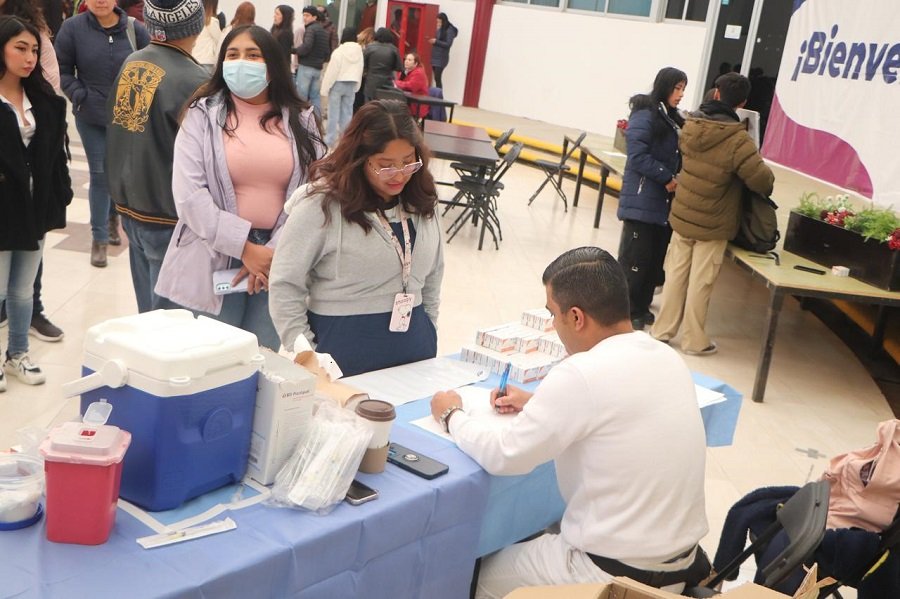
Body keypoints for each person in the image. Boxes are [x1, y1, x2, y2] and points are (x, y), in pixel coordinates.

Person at [430, 247, 709, 597]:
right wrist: (537, 403)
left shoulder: (580, 373)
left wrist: (451, 414)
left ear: (576, 317)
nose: (553, 325)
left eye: (553, 314)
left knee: (475, 574)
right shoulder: (666, 357)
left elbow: (504, 456)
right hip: (680, 566)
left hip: (610, 572)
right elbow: (620, 412)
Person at [155, 25, 323, 350]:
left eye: (252, 54)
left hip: (279, 259)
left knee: (261, 360)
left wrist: (271, 252)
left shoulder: (301, 119)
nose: (240, 62)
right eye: (232, 55)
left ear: (272, 64)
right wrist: (246, 249)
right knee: (213, 360)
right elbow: (189, 196)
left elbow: (314, 192)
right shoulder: (202, 114)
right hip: (216, 252)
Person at [269, 99, 444, 377]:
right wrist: (307, 356)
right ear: (359, 159)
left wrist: (429, 328)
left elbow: (433, 276)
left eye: (408, 162)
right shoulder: (320, 205)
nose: (399, 174)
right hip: (339, 359)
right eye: (385, 165)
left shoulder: (422, 201)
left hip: (415, 355)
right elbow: (284, 285)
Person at [651, 73, 775, 356]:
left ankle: (662, 330)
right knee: (701, 282)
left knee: (676, 275)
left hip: (683, 215)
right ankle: (695, 341)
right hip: (714, 223)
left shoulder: (691, 125)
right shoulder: (738, 139)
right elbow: (762, 182)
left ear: (716, 94)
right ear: (742, 102)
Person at [105, 0, 208, 313]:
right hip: (167, 215)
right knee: (168, 326)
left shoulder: (132, 62)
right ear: (196, 24)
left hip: (130, 206)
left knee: (147, 313)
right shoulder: (195, 80)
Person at [0, 16, 72, 390]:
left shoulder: (44, 100)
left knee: (22, 289)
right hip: (3, 209)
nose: (29, 58)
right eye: (20, 48)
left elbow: (55, 158)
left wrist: (60, 196)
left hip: (35, 208)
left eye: (34, 50)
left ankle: (18, 355)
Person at [55, 0, 150, 267]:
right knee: (99, 173)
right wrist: (78, 93)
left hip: (126, 118)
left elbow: (150, 69)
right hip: (90, 114)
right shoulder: (72, 28)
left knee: (117, 173)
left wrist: (137, 100)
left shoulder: (135, 30)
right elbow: (62, 70)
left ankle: (112, 218)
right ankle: (99, 239)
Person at [616, 67, 687, 331]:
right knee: (635, 261)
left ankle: (642, 307)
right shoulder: (645, 114)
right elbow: (637, 156)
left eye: (683, 90)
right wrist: (666, 176)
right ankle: (626, 311)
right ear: (665, 87)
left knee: (653, 260)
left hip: (660, 204)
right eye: (677, 88)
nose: (680, 95)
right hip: (642, 199)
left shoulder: (668, 116)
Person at [320, 26, 362, 146]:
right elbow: (360, 68)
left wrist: (325, 88)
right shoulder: (359, 52)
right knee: (347, 113)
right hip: (352, 84)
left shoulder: (339, 51)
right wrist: (357, 86)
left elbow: (332, 71)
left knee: (333, 113)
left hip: (338, 84)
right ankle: (345, 141)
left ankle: (330, 140)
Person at [293, 5, 328, 116]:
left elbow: (306, 47)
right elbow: (327, 51)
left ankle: (300, 121)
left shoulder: (310, 29)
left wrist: (293, 50)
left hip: (306, 67)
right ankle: (317, 120)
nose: (304, 18)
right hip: (318, 68)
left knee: (301, 96)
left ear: (314, 17)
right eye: (303, 15)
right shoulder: (323, 30)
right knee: (315, 96)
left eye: (307, 15)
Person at [362, 27, 400, 102]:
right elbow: (399, 67)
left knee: (369, 107)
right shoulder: (393, 49)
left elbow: (363, 64)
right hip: (386, 83)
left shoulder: (369, 47)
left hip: (371, 83)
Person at [394, 51, 427, 119]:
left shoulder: (419, 72)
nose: (406, 61)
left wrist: (395, 82)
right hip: (406, 101)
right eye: (405, 59)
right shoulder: (404, 71)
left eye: (409, 60)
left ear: (416, 63)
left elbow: (410, 86)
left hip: (416, 104)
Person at [192, 0, 222, 72]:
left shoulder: (196, 21)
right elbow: (220, 41)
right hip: (207, 61)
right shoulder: (212, 21)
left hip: (194, 59)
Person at [428, 12, 455, 89]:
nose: (438, 23)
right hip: (435, 55)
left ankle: (439, 96)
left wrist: (436, 41)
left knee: (437, 77)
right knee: (436, 78)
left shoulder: (450, 30)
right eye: (437, 22)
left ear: (444, 21)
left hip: (442, 57)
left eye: (440, 22)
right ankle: (437, 93)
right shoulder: (440, 29)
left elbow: (448, 44)